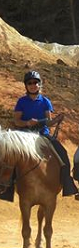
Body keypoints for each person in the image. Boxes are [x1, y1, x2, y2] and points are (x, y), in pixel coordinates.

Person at [11, 70, 78, 200]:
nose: (33, 85)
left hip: (43, 135)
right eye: (30, 83)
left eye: (35, 82)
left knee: (62, 154)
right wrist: (27, 123)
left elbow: (49, 121)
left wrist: (57, 120)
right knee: (10, 155)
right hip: (25, 134)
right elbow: (16, 121)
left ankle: (67, 183)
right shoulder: (21, 101)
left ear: (39, 84)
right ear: (26, 85)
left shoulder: (45, 101)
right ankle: (7, 188)